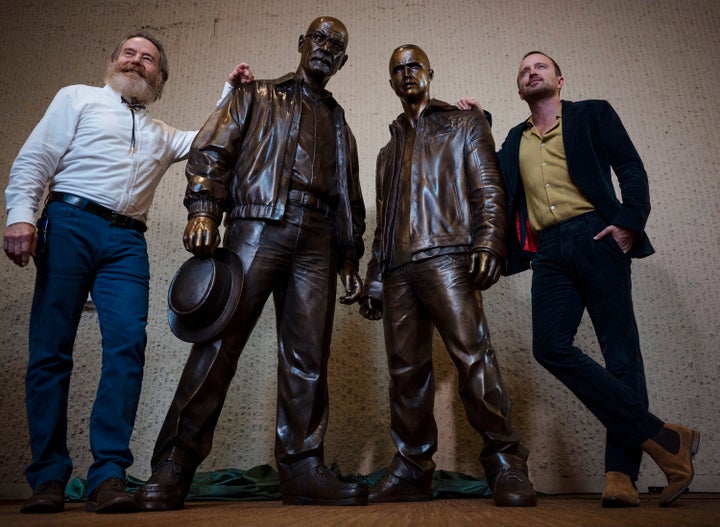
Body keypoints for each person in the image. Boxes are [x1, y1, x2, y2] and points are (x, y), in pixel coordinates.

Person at [3, 31, 253, 514]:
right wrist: (21, 214)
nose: (136, 62)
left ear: (159, 77)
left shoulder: (160, 132)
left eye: (149, 59)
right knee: (51, 351)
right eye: (129, 54)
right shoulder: (77, 98)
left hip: (126, 241)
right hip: (70, 221)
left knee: (126, 348)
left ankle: (108, 475)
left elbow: (207, 141)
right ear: (114, 62)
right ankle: (49, 478)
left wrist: (230, 93)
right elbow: (36, 159)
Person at [134, 16, 367, 510]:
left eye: (336, 46)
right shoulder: (257, 94)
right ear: (302, 44)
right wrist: (203, 209)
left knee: (308, 359)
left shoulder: (340, 121)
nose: (325, 49)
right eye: (319, 39)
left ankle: (303, 467)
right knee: (218, 346)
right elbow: (210, 151)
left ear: (342, 61)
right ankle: (174, 465)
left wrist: (350, 253)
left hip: (319, 242)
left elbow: (350, 192)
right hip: (257, 226)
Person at [495, 50, 700, 507]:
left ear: (560, 79)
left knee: (620, 353)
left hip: (596, 235)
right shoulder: (514, 141)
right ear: (519, 87)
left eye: (540, 67)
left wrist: (630, 222)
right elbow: (483, 173)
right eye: (524, 71)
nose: (531, 73)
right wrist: (472, 117)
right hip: (548, 250)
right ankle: (667, 439)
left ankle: (620, 475)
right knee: (550, 347)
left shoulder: (592, 114)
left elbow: (629, 166)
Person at [359, 44, 536, 507]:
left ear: (430, 73)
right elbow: (385, 221)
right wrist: (375, 276)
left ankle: (505, 462)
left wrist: (489, 242)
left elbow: (488, 187)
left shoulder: (463, 123)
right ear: (392, 81)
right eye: (397, 69)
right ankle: (412, 468)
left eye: (413, 65)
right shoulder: (386, 151)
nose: (406, 73)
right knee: (405, 374)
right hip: (398, 269)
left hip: (449, 258)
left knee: (474, 360)